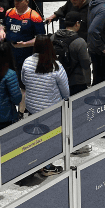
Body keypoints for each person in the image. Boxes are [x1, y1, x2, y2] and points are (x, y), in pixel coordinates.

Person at [21, 35, 69, 175]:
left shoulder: (27, 62)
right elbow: (65, 91)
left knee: (35, 138)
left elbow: (24, 81)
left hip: (32, 107)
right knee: (49, 140)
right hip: (51, 110)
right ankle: (47, 167)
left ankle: (36, 163)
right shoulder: (56, 66)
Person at [0, 0, 45, 82]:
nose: (16, 3)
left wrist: (25, 44)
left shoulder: (34, 17)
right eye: (15, 0)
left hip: (26, 54)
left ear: (27, 2)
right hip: (10, 51)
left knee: (23, 78)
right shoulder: (9, 12)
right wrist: (1, 31)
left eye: (19, 1)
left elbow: (41, 39)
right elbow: (3, 25)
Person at [51, 11, 92, 95]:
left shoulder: (53, 37)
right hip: (76, 82)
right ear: (77, 23)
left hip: (56, 79)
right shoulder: (79, 42)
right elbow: (85, 63)